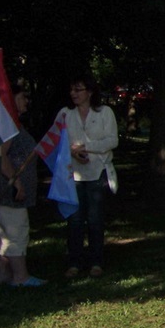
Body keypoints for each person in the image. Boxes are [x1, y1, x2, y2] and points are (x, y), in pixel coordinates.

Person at [0, 86, 43, 288]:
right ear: (11, 99)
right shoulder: (6, 123)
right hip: (3, 191)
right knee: (16, 231)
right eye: (22, 97)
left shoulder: (7, 122)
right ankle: (20, 277)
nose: (26, 101)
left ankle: (3, 274)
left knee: (5, 233)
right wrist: (16, 181)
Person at [63, 77, 118, 278]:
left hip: (97, 173)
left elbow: (112, 140)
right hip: (74, 174)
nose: (74, 94)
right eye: (72, 90)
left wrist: (86, 147)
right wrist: (73, 152)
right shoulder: (66, 114)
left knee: (95, 219)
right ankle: (74, 262)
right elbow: (58, 140)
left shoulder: (104, 113)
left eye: (78, 89)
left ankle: (96, 261)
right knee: (75, 220)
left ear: (90, 92)